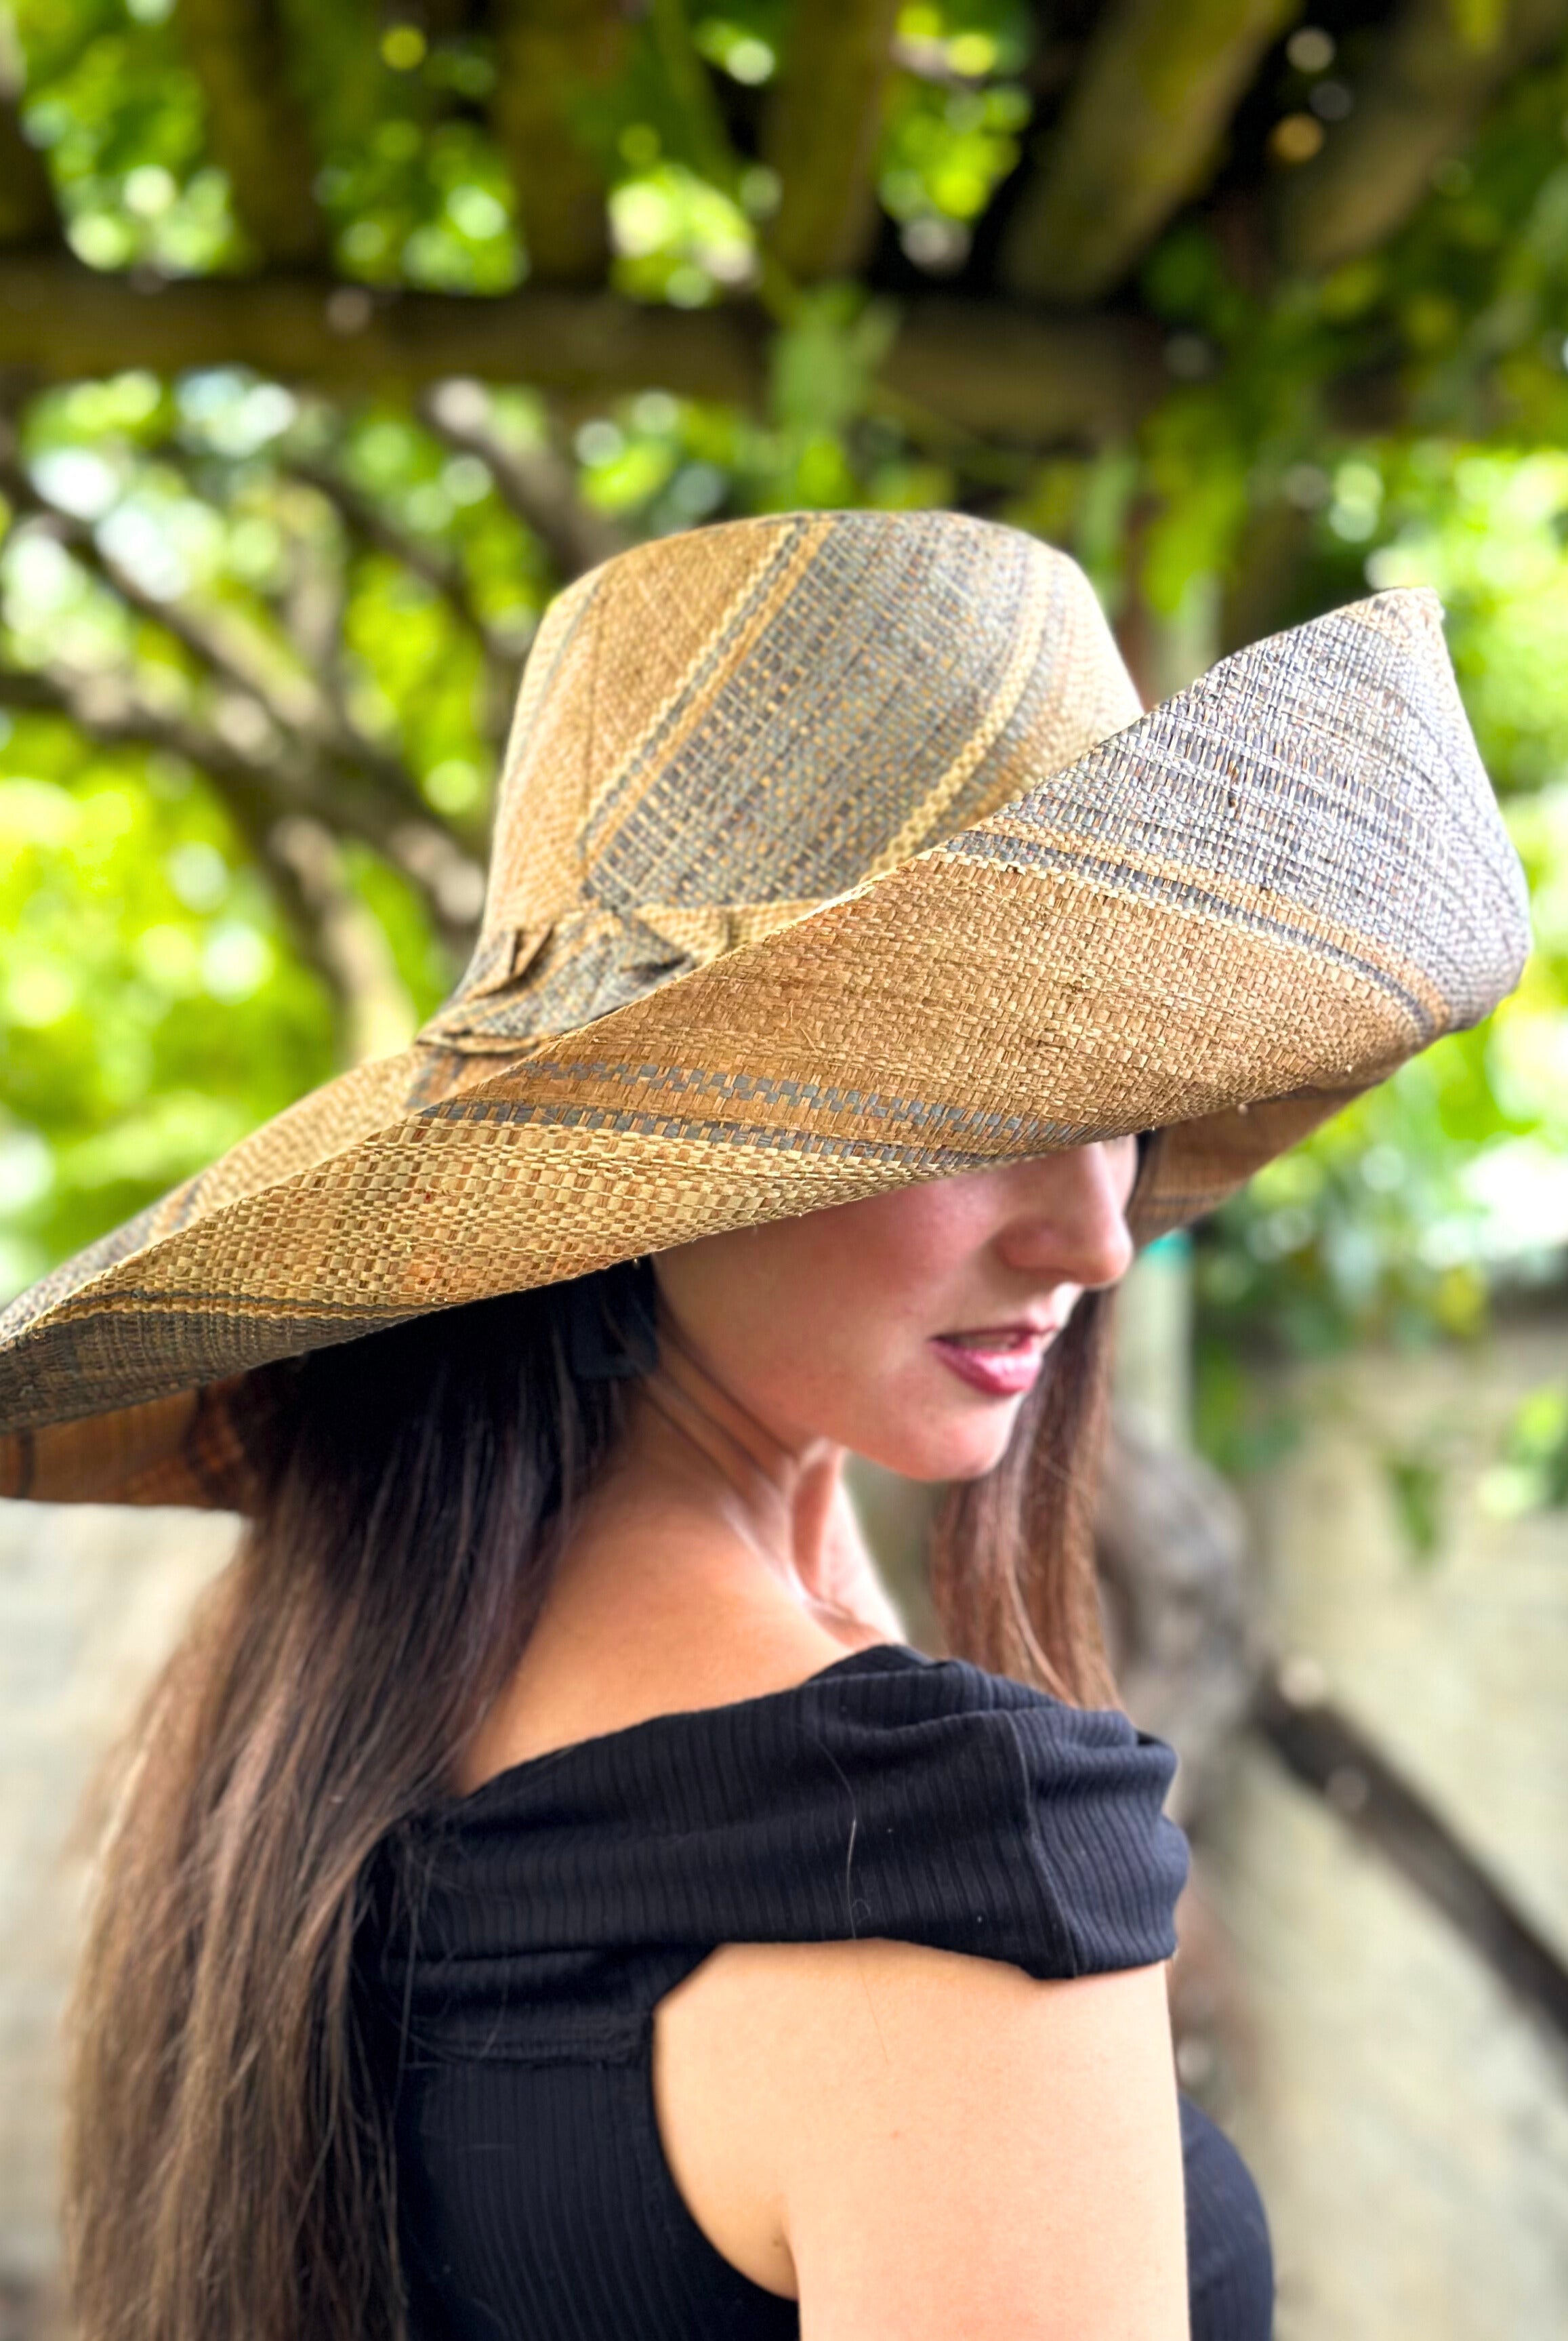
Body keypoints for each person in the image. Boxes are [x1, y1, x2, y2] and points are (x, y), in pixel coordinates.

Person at [0, 509, 1529, 2341]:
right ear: (659, 1159)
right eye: (982, 1104)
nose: (1100, 1229)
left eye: (1132, 1101)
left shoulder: (312, 1725)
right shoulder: (934, 1858)